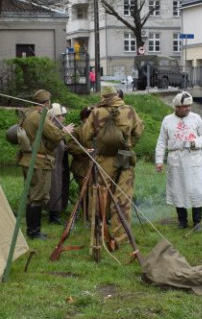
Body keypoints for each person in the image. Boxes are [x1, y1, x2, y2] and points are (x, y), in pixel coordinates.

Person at [79, 86, 145, 247]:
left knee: (101, 194)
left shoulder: (96, 112)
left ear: (102, 96)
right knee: (123, 196)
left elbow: (85, 135)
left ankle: (100, 231)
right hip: (126, 156)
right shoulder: (129, 110)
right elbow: (139, 130)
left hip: (104, 159)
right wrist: (128, 145)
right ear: (116, 95)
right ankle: (120, 236)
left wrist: (95, 149)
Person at [18, 89, 74, 239]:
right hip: (38, 162)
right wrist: (65, 131)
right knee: (37, 197)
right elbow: (55, 135)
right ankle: (33, 232)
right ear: (47, 103)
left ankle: (33, 230)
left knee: (33, 196)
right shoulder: (39, 116)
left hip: (28, 160)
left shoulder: (28, 115)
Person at [155, 91, 202, 230]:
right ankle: (182, 222)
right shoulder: (167, 120)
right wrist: (159, 161)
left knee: (196, 189)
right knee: (178, 189)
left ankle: (197, 222)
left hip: (193, 158)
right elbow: (162, 141)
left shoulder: (196, 118)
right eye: (185, 106)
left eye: (190, 106)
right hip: (176, 160)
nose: (188, 108)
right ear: (177, 107)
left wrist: (195, 142)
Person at [44, 103, 71, 225]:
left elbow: (62, 147)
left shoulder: (58, 130)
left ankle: (57, 213)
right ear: (54, 118)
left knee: (59, 188)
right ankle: (53, 217)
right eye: (60, 116)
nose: (63, 118)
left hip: (60, 165)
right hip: (52, 164)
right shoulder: (51, 130)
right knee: (53, 190)